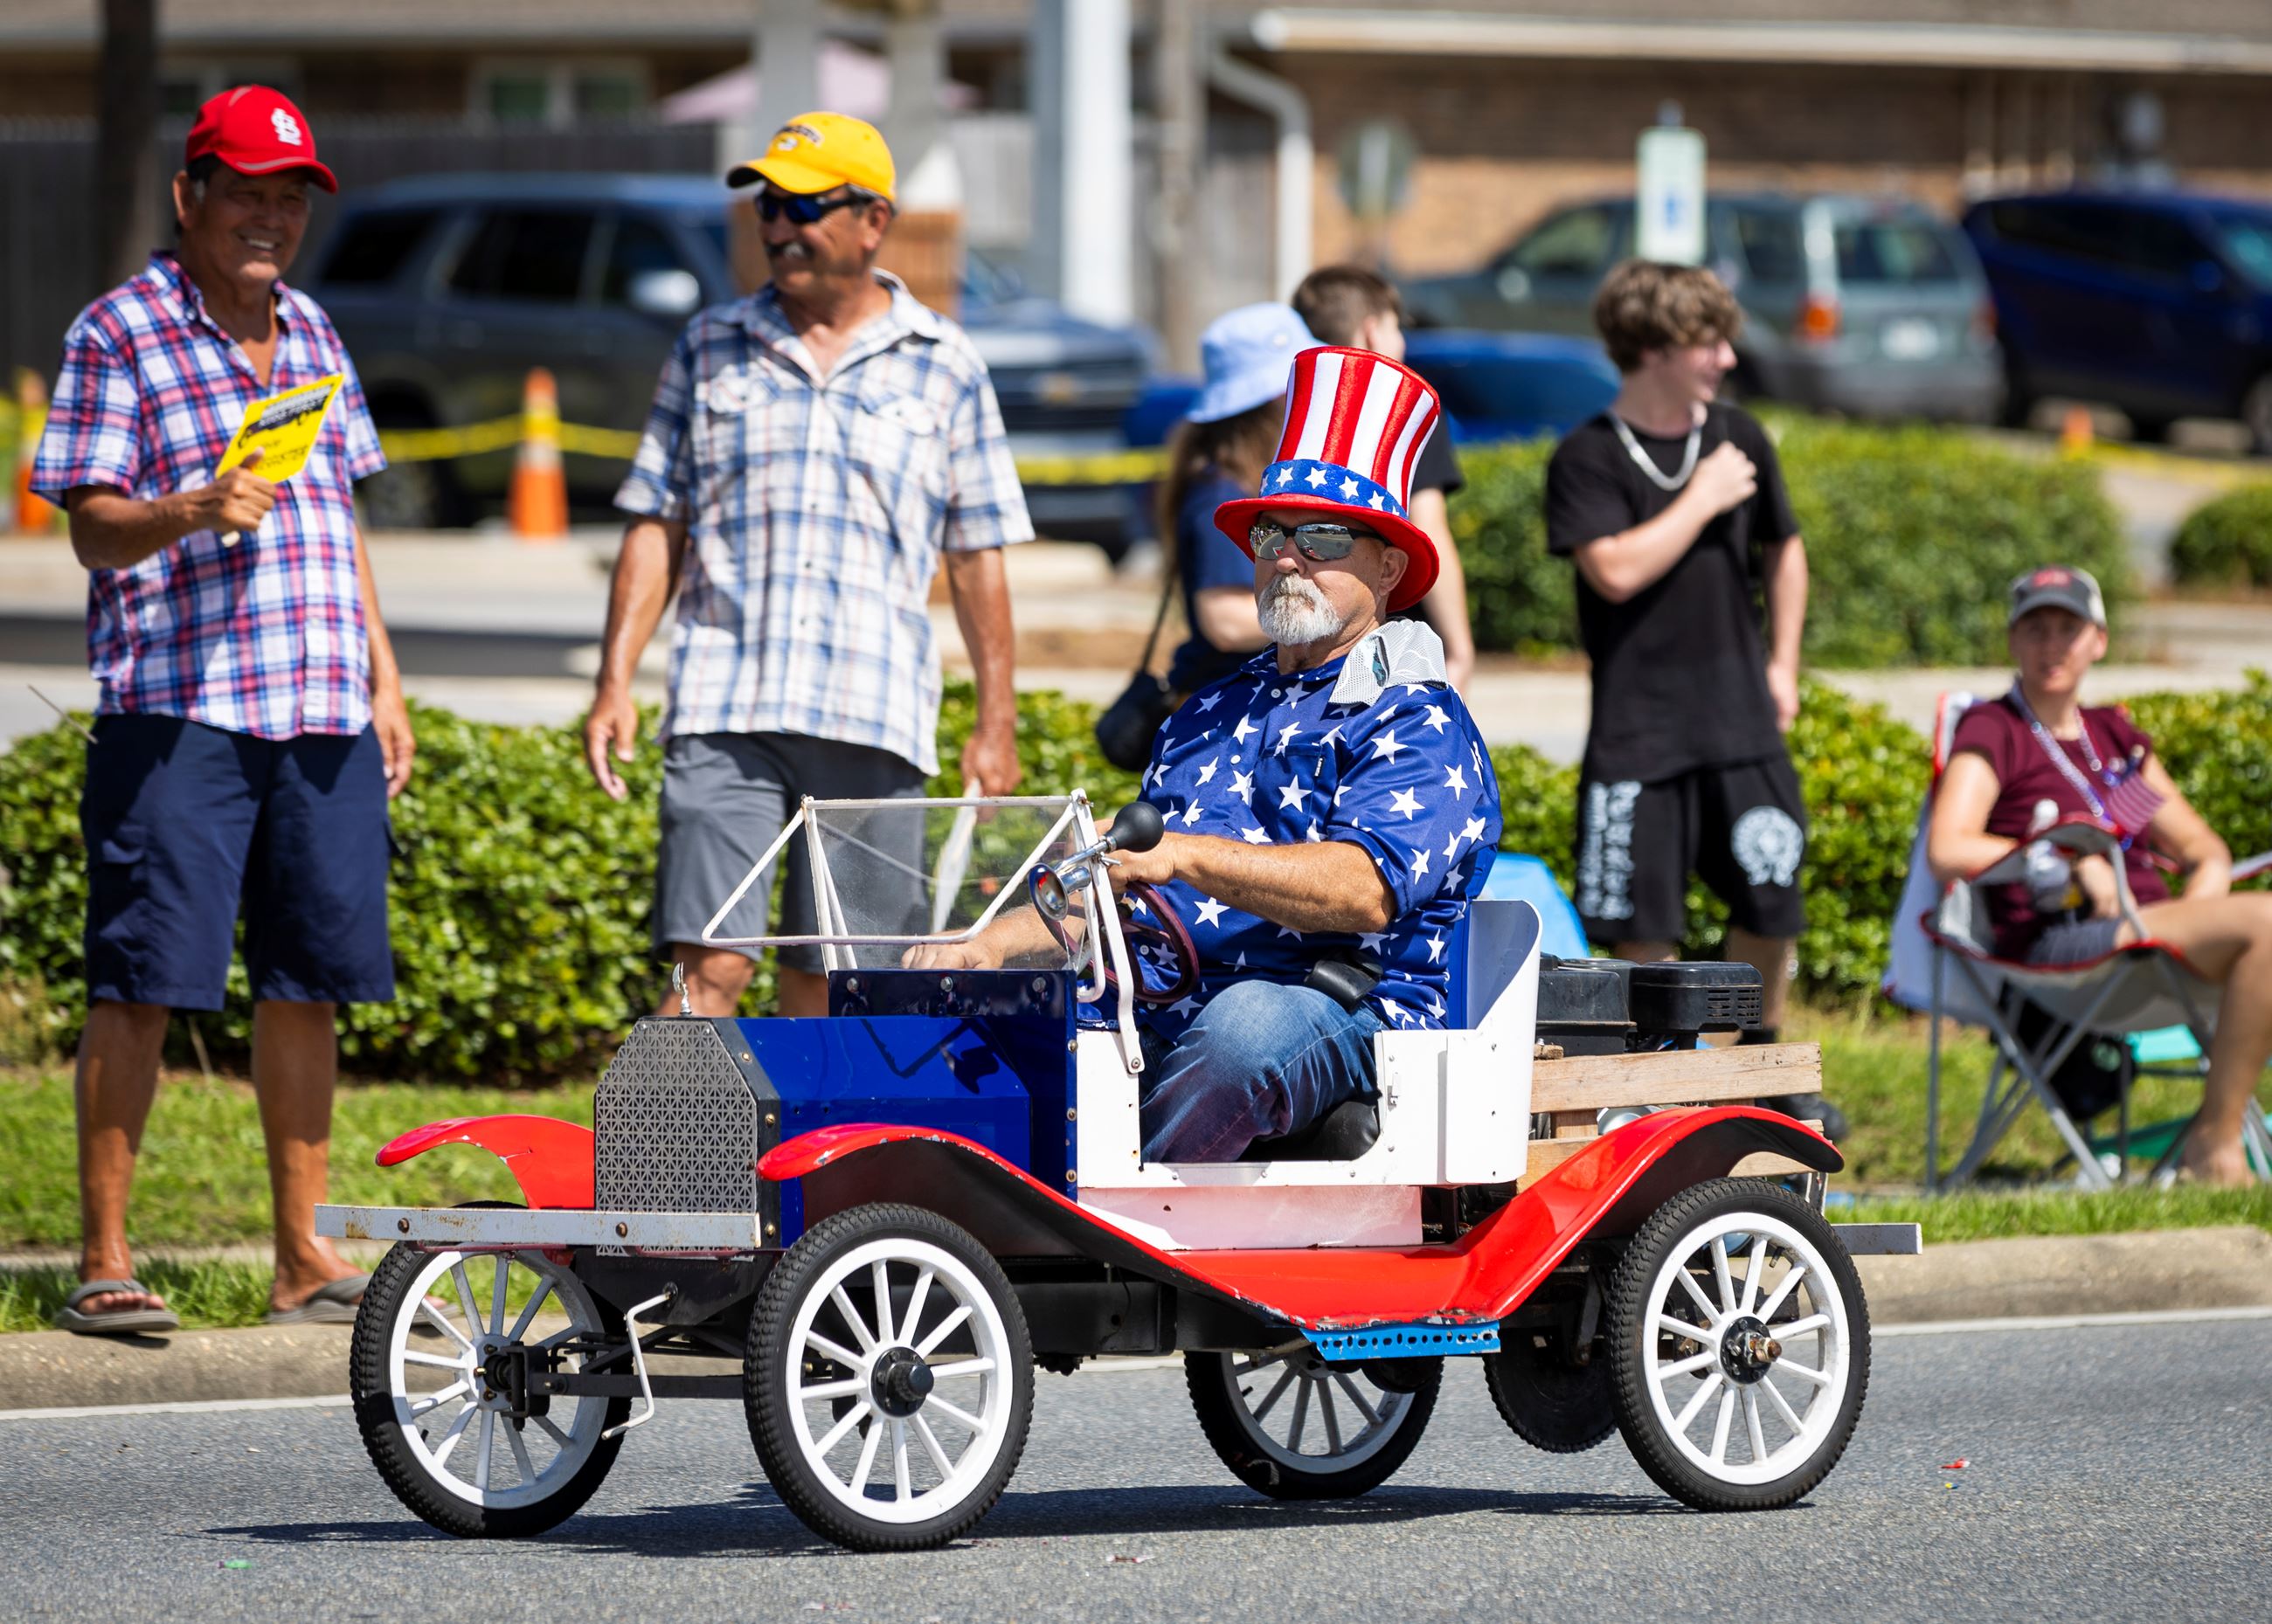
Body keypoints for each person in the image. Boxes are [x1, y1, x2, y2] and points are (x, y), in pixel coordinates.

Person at [912, 347, 1500, 1161]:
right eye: (1272, 532)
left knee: (1245, 1030)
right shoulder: (1211, 710)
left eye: (1326, 537)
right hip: (1165, 995)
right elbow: (1122, 897)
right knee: (979, 1014)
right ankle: (978, 1218)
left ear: (1390, 567)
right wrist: (989, 945)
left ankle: (1101, 1217)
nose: (1289, 555)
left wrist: (1184, 856)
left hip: (1343, 1013)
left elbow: (1365, 892)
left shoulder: (1417, 716)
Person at [30, 86, 412, 1335]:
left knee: (309, 980)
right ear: (189, 196)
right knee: (143, 977)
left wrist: (385, 673)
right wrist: (191, 505)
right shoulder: (120, 331)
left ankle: (301, 1256)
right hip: (178, 709)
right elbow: (88, 526)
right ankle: (103, 1258)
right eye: (246, 191)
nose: (271, 218)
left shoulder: (311, 329)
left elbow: (339, 515)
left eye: (290, 197)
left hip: (317, 702)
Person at [585, 112, 1031, 1020]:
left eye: (804, 205)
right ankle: (665, 1167)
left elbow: (976, 551)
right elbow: (654, 523)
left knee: (836, 986)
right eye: (767, 207)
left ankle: (804, 1171)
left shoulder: (946, 362)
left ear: (873, 219)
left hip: (873, 715)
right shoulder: (709, 346)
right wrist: (613, 680)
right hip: (725, 707)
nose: (780, 226)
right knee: (706, 968)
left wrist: (996, 719)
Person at [1543, 259, 1838, 1135]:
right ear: (1651, 349)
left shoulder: (1741, 432)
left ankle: (1764, 1070)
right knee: (1641, 925)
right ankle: (1662, 1091)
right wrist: (1702, 495)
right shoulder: (1587, 454)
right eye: (1704, 341)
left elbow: (1783, 549)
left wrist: (1782, 662)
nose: (1723, 356)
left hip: (1739, 717)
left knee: (1769, 896)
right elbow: (1614, 568)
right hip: (1638, 730)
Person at [1927, 565, 2272, 1186]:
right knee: (2269, 922)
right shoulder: (1996, 729)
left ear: (2099, 641)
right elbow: (1949, 846)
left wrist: (2202, 898)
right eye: (2035, 628)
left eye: (2068, 627)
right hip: (2064, 945)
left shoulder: (2109, 736)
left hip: (2150, 939)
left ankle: (2215, 1137)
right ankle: (2215, 1147)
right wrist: (2068, 859)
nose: (2052, 644)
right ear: (2012, 640)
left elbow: (2201, 846)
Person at [1292, 266, 1479, 693]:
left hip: (1304, 632)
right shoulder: (1403, 407)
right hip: (1391, 641)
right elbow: (1428, 527)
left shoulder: (1295, 402)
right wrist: (1459, 649)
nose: (1403, 342)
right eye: (1398, 327)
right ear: (1373, 330)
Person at [1154, 303, 1309, 700]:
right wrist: (1338, 615)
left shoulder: (1235, 480)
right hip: (1223, 714)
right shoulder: (1222, 494)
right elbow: (1225, 621)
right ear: (1276, 395)